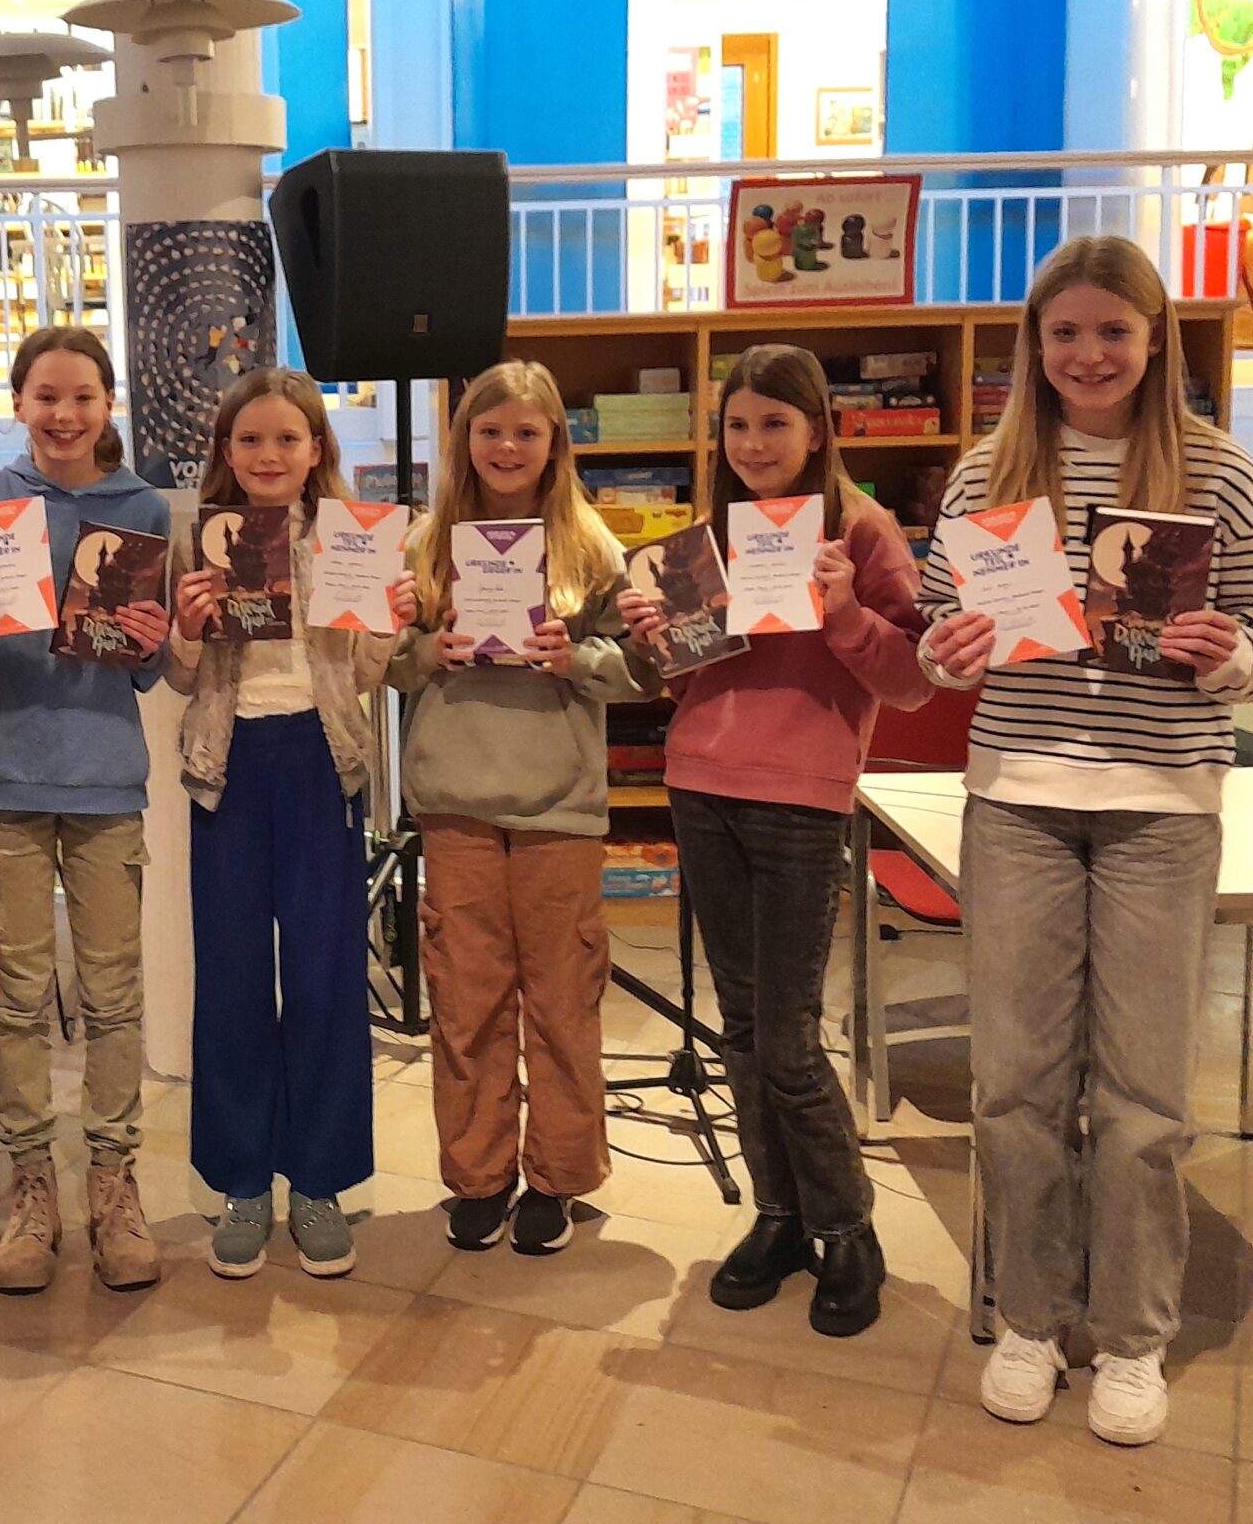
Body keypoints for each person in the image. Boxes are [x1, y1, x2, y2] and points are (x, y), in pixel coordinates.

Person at [918, 237, 1253, 1446]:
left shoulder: (1219, 475)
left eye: (1112, 333)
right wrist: (947, 653)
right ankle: (1029, 1316)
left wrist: (1220, 653)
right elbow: (937, 633)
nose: (1087, 355)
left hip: (1162, 808)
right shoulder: (990, 472)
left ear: (1153, 341)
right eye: (1064, 332)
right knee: (1017, 1084)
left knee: (1142, 1093)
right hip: (1018, 802)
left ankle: (1132, 1339)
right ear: (1034, 344)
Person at [621, 344, 930, 1337]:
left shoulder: (862, 531)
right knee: (745, 1027)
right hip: (699, 785)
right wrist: (651, 636)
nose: (753, 444)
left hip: (802, 797)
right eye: (738, 426)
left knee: (790, 1037)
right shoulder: (705, 538)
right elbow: (676, 680)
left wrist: (841, 612)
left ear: (816, 430)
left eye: (774, 424)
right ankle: (780, 1212)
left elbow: (911, 678)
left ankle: (849, 1227)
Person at [392, 359, 650, 1257]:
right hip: (455, 801)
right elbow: (379, 661)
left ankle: (558, 1178)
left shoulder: (591, 546)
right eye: (490, 429)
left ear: (554, 445)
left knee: (562, 1004)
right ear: (465, 438)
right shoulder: (425, 542)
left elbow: (641, 670)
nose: (506, 447)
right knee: (465, 1003)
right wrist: (431, 649)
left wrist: (571, 660)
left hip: (558, 810)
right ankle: (478, 1175)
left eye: (526, 432)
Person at [166, 369, 412, 1281]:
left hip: (322, 764)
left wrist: (390, 623)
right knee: (231, 980)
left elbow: (369, 675)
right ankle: (239, 1183)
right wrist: (189, 626)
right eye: (251, 442)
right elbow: (183, 677)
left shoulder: (355, 536)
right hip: (226, 772)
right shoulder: (200, 538)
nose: (269, 457)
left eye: (288, 440)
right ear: (227, 453)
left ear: (318, 450)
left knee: (322, 978)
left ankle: (318, 1180)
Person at [0, 326, 171, 1295]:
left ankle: (113, 1184)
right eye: (46, 396)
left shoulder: (142, 506)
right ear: (19, 403)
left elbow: (153, 670)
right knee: (21, 1000)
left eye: (82, 395)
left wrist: (155, 637)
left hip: (107, 779)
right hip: (8, 779)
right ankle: (30, 1187)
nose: (64, 414)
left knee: (115, 997)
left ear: (108, 403)